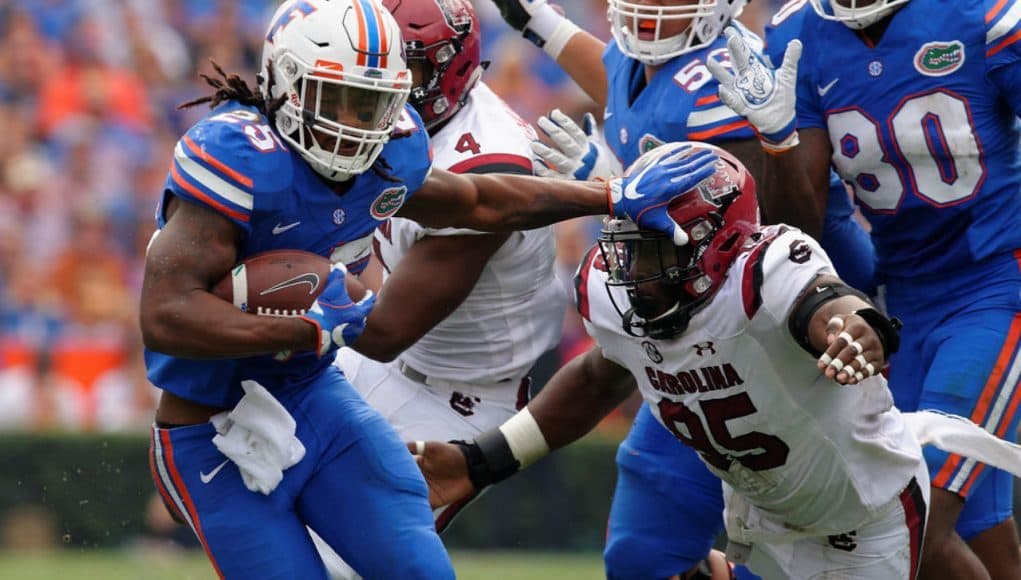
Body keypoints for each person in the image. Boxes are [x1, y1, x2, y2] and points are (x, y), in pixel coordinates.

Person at [139, 0, 716, 577]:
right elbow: (164, 317)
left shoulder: (389, 150)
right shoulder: (236, 160)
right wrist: (309, 328)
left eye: (373, 102)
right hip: (210, 422)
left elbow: (480, 201)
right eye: (340, 98)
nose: (357, 122)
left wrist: (608, 195)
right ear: (289, 84)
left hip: (318, 394)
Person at [411, 141, 935, 579]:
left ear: (719, 243)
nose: (631, 269)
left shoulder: (765, 269)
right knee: (642, 562)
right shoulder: (613, 294)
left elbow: (827, 302)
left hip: (863, 518)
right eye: (627, 246)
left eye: (653, 249)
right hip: (762, 512)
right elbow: (599, 377)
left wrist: (855, 334)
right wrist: (481, 462)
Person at [484, 0, 873, 577]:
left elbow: (746, 231)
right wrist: (535, 21)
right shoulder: (634, 61)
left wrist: (608, 183)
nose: (650, 10)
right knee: (642, 558)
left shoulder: (724, 73)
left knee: (836, 552)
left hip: (795, 332)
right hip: (698, 341)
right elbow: (618, 80)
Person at [708, 0, 1021, 577]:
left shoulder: (986, 17)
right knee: (964, 519)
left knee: (913, 517)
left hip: (996, 284)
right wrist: (777, 141)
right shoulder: (799, 33)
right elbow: (802, 224)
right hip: (897, 300)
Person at [314, 0, 567, 577]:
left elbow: (384, 331)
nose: (388, 86)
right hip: (393, 360)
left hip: (459, 393)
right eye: (376, 67)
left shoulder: (484, 158)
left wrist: (295, 280)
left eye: (408, 70)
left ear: (453, 68)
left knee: (336, 563)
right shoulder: (407, 125)